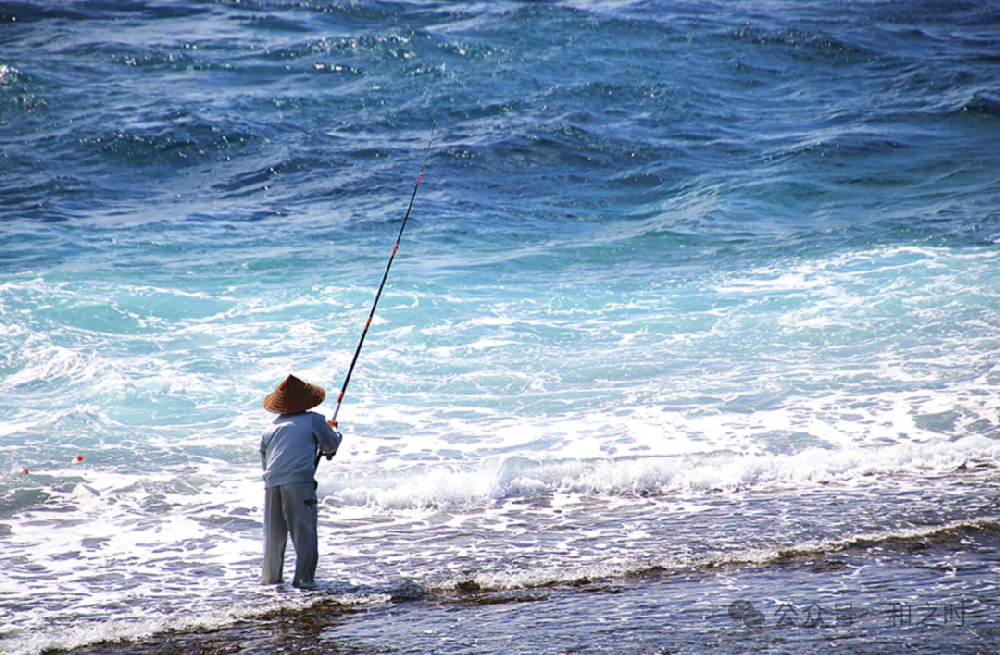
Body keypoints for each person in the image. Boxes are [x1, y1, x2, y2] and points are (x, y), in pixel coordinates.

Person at [259, 374, 342, 588]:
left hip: (271, 484)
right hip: (299, 483)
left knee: (273, 539)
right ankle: (305, 583)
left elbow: (265, 461)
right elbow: (330, 447)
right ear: (307, 400)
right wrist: (333, 431)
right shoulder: (314, 419)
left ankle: (271, 585)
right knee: (304, 534)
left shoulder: (270, 428)